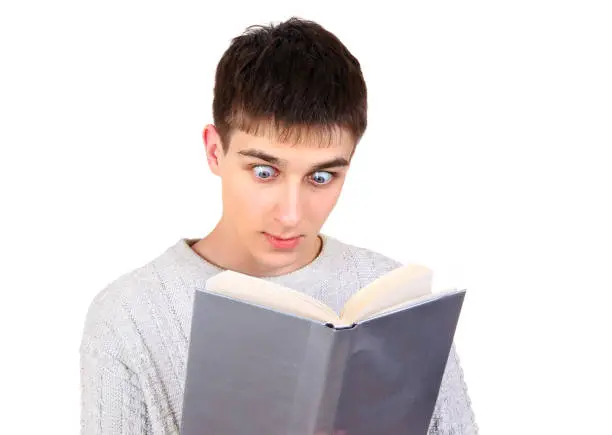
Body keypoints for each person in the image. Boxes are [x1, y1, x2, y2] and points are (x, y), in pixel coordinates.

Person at [80, 17, 478, 434]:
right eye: (265, 172)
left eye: (321, 178)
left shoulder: (395, 301)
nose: (291, 215)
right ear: (215, 151)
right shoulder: (130, 316)